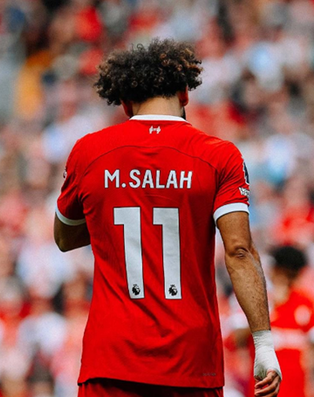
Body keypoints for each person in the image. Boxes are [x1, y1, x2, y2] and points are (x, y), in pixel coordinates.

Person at [53, 39, 281, 397]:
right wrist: (263, 345)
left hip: (111, 360)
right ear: (185, 93)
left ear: (125, 102)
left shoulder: (89, 151)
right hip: (191, 362)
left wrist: (119, 212)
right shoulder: (219, 156)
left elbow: (64, 238)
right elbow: (239, 251)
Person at [234, 246, 314, 397]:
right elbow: (236, 339)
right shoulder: (256, 300)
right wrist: (265, 311)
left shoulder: (305, 302)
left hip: (297, 391)